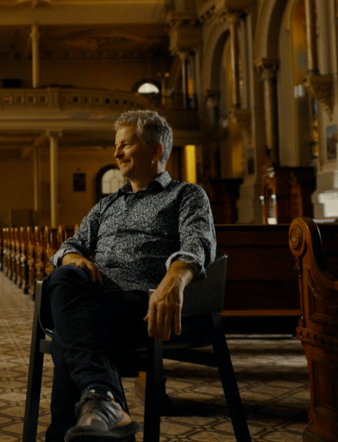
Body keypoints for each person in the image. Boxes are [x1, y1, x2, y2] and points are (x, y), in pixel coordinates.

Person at [45, 110, 216, 442]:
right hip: (95, 296)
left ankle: (77, 424)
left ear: (155, 150)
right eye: (116, 145)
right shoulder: (106, 205)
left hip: (144, 302)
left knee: (70, 334)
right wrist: (74, 256)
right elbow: (70, 244)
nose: (116, 153)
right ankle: (105, 402)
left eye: (125, 144)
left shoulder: (186, 195)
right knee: (64, 278)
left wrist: (175, 279)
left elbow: (199, 243)